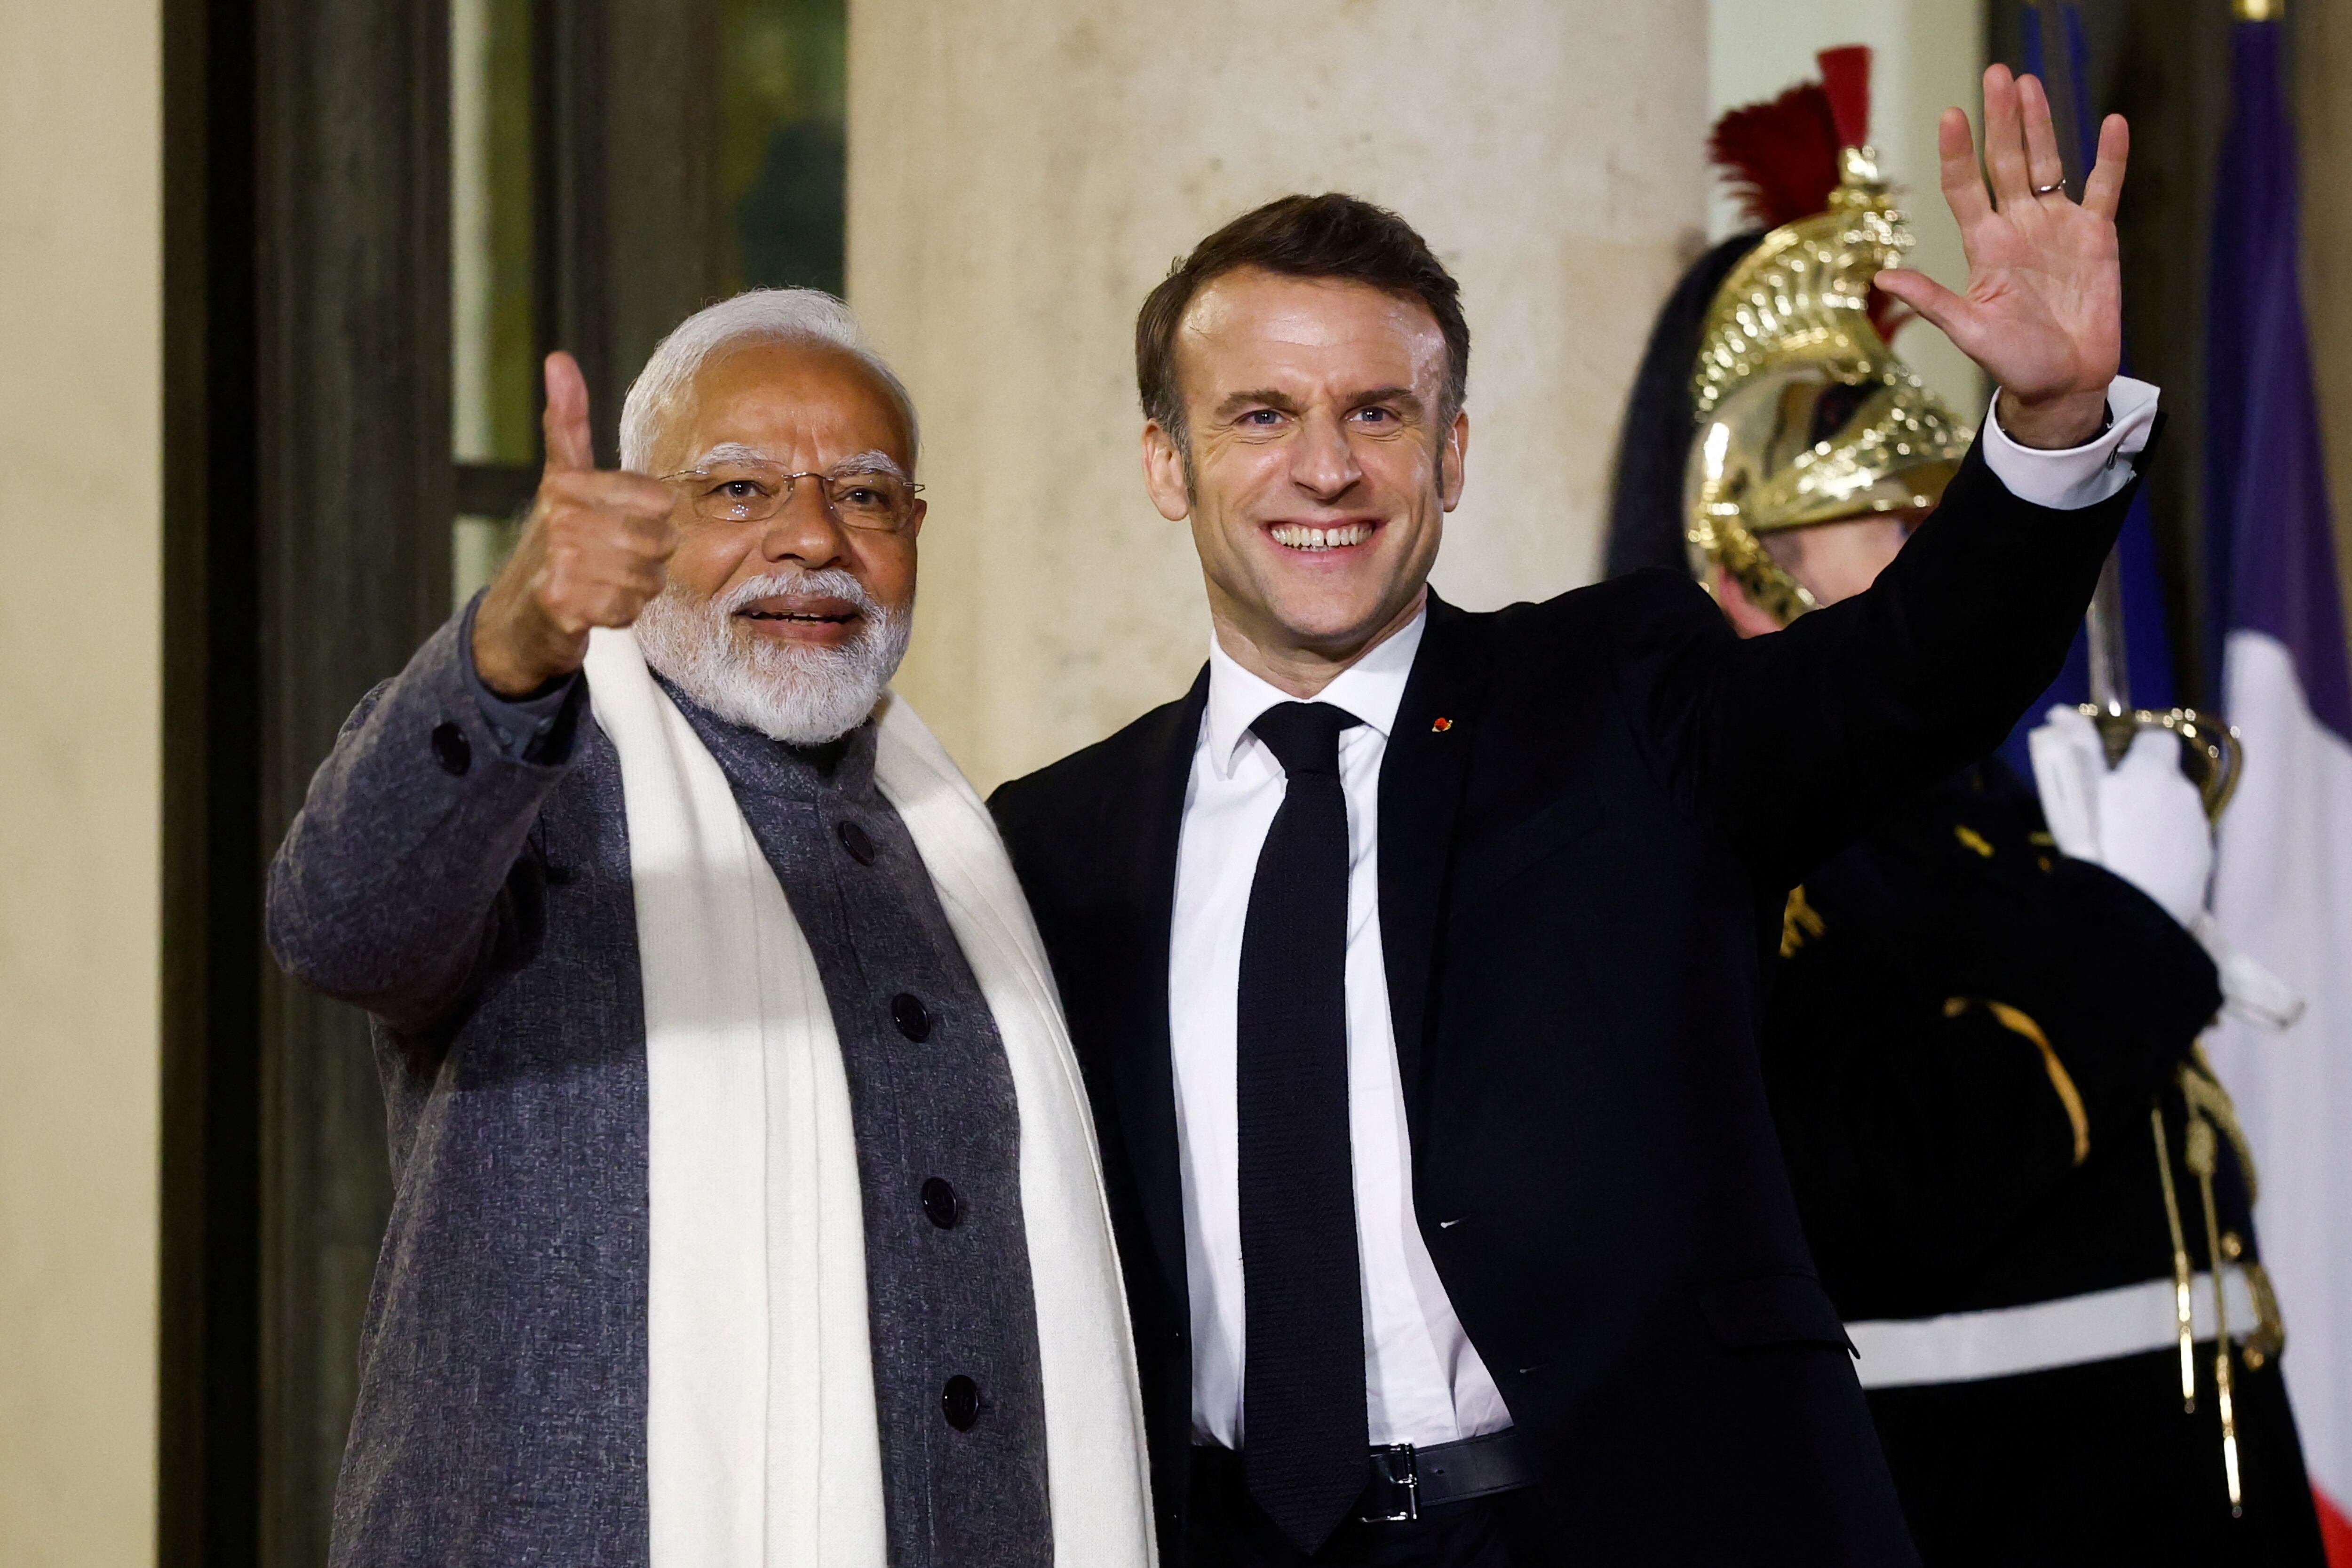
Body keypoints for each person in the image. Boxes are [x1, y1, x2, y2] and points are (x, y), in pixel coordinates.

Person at [989, 66, 2153, 1566]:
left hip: (1615, 1530)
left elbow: (1905, 680)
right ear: (1168, 461)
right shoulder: (1058, 843)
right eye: (1260, 414)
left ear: (1452, 453)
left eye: (1378, 413)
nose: (1326, 467)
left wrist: (2049, 426)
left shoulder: (1620, 701)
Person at [267, 290, 1155, 1568]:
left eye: (864, 496)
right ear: (639, 520)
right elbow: (337, 924)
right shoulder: (534, 794)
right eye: (739, 491)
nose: (811, 540)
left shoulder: (971, 854)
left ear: (917, 532)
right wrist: (513, 641)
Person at [1607, 51, 2329, 1567]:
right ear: (1741, 557)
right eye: (1880, 505)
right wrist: (2125, 925)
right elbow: (1893, 1182)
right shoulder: (1725, 843)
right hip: (1985, 1513)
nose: (1931, 530)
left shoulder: (1979, 803)